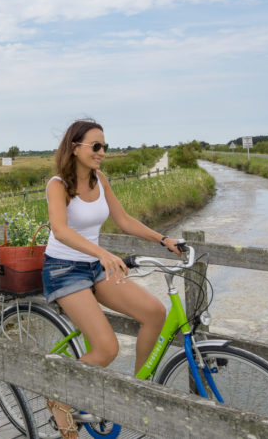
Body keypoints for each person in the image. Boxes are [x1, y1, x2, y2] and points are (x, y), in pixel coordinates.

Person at [42, 119, 181, 438]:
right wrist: (102, 252)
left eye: (104, 146)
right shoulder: (57, 184)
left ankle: (135, 392)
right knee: (106, 349)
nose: (102, 152)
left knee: (155, 312)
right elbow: (60, 230)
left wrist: (163, 239)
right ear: (75, 148)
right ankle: (58, 395)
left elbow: (123, 219)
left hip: (95, 267)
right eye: (96, 146)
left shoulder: (100, 179)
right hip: (64, 269)